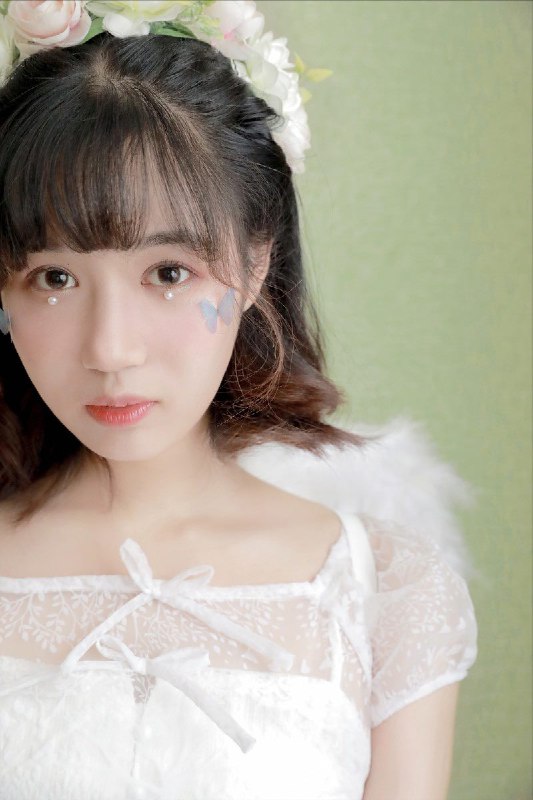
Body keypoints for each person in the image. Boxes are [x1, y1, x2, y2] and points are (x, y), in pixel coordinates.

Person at [0, 2, 478, 799]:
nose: (110, 349)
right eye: (55, 278)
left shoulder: (383, 592)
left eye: (168, 273)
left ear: (255, 265)